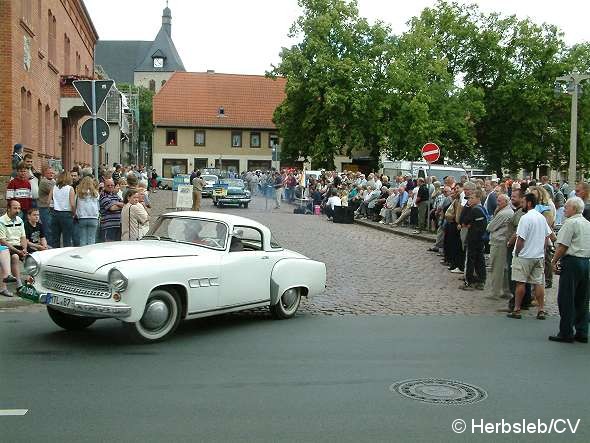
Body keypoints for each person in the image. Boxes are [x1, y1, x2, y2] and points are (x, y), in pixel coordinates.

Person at [548, 197, 590, 343]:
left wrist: (554, 261)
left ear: (574, 208)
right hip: (586, 261)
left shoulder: (570, 223)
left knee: (567, 297)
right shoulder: (587, 223)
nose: (564, 209)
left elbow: (563, 245)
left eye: (566, 207)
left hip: (572, 261)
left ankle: (566, 332)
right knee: (583, 299)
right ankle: (582, 331)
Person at [507, 193, 552, 320]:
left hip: (525, 255)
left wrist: (517, 252)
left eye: (524, 202)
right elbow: (547, 236)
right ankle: (541, 309)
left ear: (529, 203)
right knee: (538, 283)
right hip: (538, 256)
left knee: (520, 283)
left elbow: (521, 238)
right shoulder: (541, 218)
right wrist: (542, 250)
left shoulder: (525, 218)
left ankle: (517, 309)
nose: (522, 204)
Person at [486, 194, 514, 298]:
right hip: (502, 242)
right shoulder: (506, 211)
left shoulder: (504, 213)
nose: (497, 203)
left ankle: (495, 292)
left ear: (506, 202)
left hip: (499, 242)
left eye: (500, 201)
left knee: (496, 267)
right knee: (504, 268)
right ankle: (506, 290)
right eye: (497, 200)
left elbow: (490, 227)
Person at [460, 189, 487, 290]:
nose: (469, 200)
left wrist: (468, 224)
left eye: (472, 198)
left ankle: (469, 281)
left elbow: (464, 221)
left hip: (473, 238)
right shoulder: (482, 209)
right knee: (480, 260)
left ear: (478, 199)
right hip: (480, 238)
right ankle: (481, 280)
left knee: (470, 260)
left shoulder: (475, 209)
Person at [0, 200, 28, 288]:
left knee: (36, 257)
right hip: (6, 247)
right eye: (15, 208)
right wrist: (18, 251)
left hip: (18, 247)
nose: (18, 211)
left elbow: (23, 237)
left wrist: (24, 249)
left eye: (19, 208)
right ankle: (18, 283)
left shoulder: (20, 220)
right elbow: (3, 241)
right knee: (15, 256)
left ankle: (24, 282)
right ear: (8, 209)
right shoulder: (1, 221)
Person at [50, 170, 75, 248]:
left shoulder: (54, 187)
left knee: (55, 238)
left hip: (55, 213)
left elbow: (48, 201)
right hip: (66, 214)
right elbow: (72, 204)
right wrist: (74, 213)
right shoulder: (70, 188)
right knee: (67, 238)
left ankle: (55, 254)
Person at [74, 176, 100, 246]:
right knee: (92, 239)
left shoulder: (79, 194)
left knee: (82, 239)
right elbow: (98, 206)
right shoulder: (96, 193)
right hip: (93, 217)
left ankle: (83, 254)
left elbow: (75, 204)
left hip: (82, 217)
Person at [38, 166, 55, 246]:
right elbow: (54, 191)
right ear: (45, 174)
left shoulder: (52, 181)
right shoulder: (44, 182)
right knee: (47, 228)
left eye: (52, 173)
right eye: (49, 173)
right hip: (44, 207)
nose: (51, 174)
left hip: (50, 208)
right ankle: (49, 246)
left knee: (51, 228)